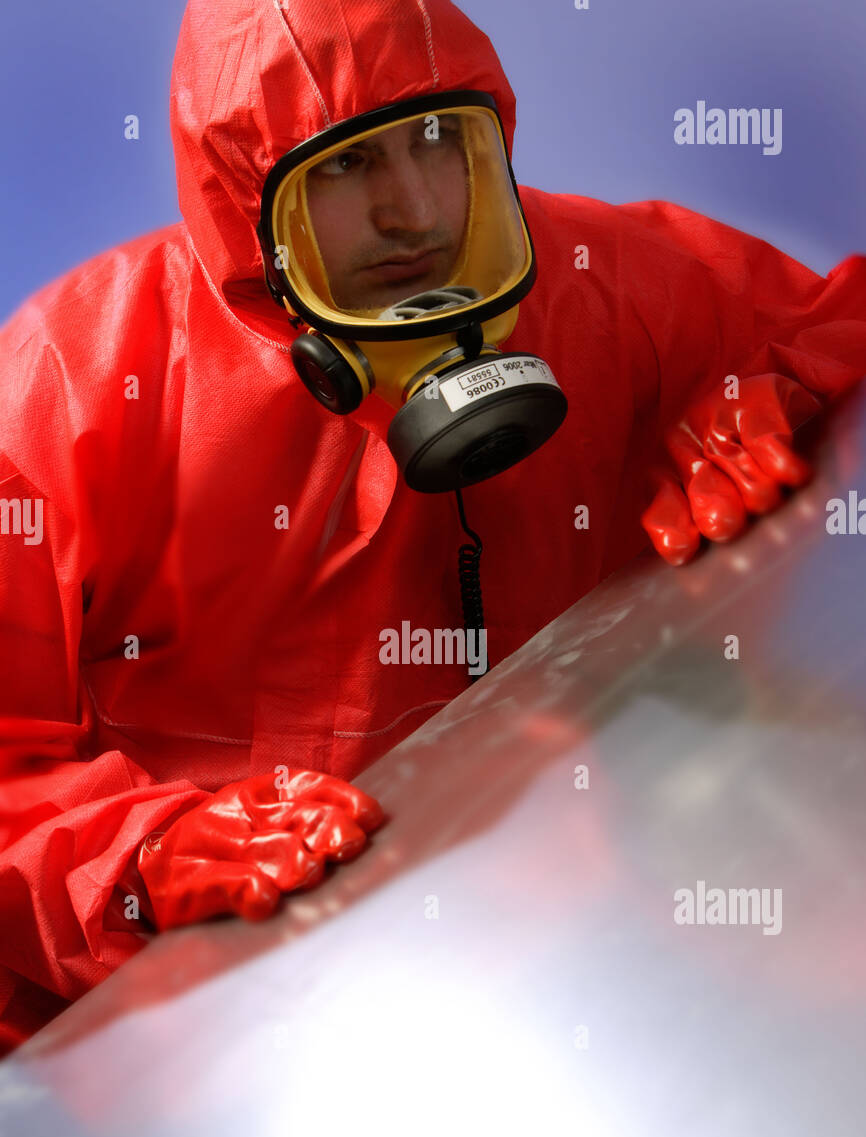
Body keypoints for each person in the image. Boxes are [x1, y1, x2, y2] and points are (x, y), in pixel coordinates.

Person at [1, 0, 864, 1059]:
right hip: (196, 1056)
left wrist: (766, 400)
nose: (415, 211)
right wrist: (141, 861)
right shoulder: (77, 384)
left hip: (572, 983)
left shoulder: (599, 285)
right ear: (248, 208)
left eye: (435, 143)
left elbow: (828, 322)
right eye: (346, 170)